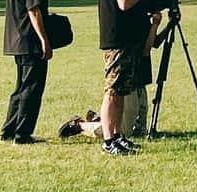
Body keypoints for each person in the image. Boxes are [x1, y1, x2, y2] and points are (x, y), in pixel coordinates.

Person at [59, 9, 163, 141]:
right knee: (125, 131)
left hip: (140, 75)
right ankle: (80, 126)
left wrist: (167, 26)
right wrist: (155, 25)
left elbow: (155, 42)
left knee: (140, 130)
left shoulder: (141, 14)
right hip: (131, 74)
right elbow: (145, 50)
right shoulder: (134, 18)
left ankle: (99, 118)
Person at [98, 0, 158, 156]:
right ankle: (108, 139)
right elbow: (124, 3)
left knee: (122, 91)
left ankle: (117, 135)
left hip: (127, 40)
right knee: (113, 91)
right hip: (117, 41)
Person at [0, 0, 53, 144]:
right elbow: (34, 9)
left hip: (16, 38)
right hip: (30, 40)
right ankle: (22, 134)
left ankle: (8, 130)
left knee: (20, 88)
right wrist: (44, 40)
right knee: (31, 88)